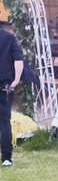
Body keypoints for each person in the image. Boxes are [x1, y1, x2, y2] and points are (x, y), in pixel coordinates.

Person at [0, 20, 25, 168]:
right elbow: (18, 60)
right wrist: (15, 81)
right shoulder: (10, 37)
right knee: (4, 123)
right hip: (4, 86)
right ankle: (6, 159)